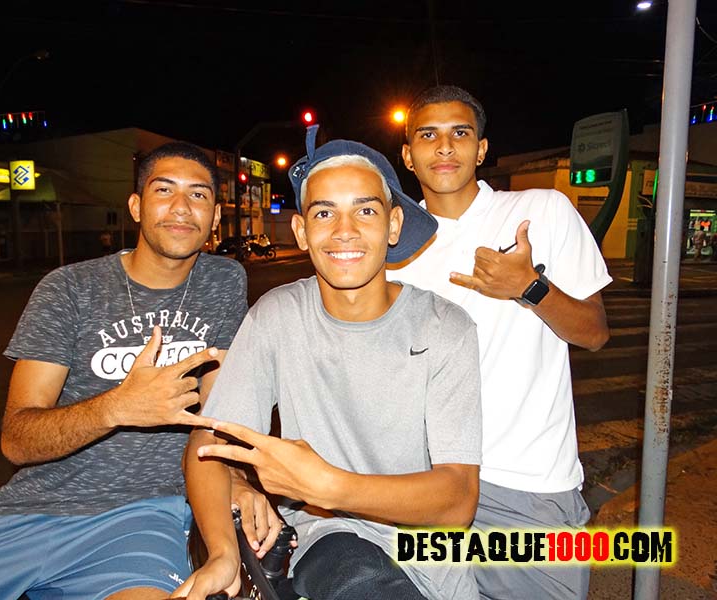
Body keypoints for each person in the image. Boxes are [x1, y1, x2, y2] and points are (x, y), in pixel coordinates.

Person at [0, 142, 275, 600]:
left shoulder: (222, 281)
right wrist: (115, 408)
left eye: (198, 194)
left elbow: (217, 417)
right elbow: (16, 439)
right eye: (164, 190)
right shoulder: (69, 289)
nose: (182, 207)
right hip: (26, 516)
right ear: (136, 207)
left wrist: (236, 480)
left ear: (215, 217)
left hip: (140, 520)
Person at [175, 127, 483, 600]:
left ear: (394, 225)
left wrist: (328, 485)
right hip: (331, 542)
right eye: (324, 212)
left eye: (365, 210)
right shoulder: (278, 315)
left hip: (434, 559)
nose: (345, 230)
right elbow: (209, 443)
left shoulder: (445, 326)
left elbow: (458, 498)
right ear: (301, 231)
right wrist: (223, 554)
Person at [387, 85, 611, 600]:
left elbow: (594, 332)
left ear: (481, 149)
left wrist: (529, 287)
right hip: (424, 484)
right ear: (408, 156)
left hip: (527, 485)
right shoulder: (392, 245)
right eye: (428, 135)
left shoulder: (541, 211)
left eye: (460, 133)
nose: (445, 147)